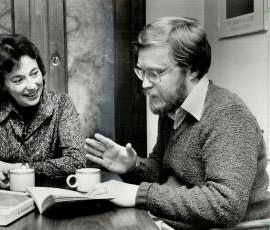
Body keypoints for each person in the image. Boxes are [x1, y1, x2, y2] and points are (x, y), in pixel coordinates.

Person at [85, 17, 270, 229]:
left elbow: (226, 205)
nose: (145, 83)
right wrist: (133, 167)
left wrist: (139, 194)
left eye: (155, 73)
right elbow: (163, 173)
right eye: (142, 71)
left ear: (191, 69)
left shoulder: (228, 115)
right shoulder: (172, 107)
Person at [0, 34, 86, 190]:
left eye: (34, 73)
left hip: (49, 201)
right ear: (2, 84)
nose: (32, 85)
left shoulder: (62, 104)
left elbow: (76, 162)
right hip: (3, 202)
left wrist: (11, 168)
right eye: (18, 80)